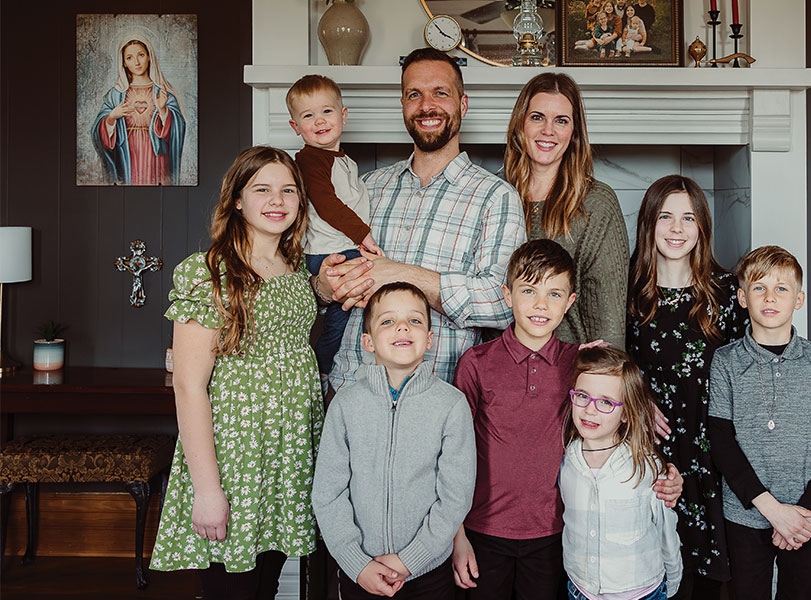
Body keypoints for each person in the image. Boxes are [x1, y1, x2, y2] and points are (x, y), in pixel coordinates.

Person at [451, 239, 683, 599]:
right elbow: (453, 455)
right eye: (528, 291)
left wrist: (664, 473)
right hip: (484, 530)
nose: (541, 305)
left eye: (554, 294)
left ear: (570, 302)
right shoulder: (476, 363)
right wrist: (457, 535)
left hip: (554, 533)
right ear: (507, 295)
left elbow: (618, 423)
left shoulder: (580, 364)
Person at [150, 146, 329, 599]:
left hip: (287, 455)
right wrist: (208, 491)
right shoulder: (208, 272)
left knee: (263, 586)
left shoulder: (293, 267)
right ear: (236, 200)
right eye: (262, 189)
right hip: (235, 458)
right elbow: (189, 387)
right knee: (233, 588)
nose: (277, 200)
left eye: (288, 190)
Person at [323, 47, 526, 391]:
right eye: (414, 94)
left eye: (440, 93)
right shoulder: (367, 188)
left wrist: (401, 275)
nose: (426, 105)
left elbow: (503, 304)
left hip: (439, 397)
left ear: (462, 104)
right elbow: (318, 270)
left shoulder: (496, 197)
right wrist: (324, 287)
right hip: (350, 388)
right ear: (402, 104)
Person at [312, 282, 476, 599]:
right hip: (360, 571)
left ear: (429, 339)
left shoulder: (452, 405)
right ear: (368, 342)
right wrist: (356, 563)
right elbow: (328, 494)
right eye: (388, 321)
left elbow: (455, 497)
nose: (402, 326)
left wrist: (409, 560)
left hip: (427, 572)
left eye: (414, 320)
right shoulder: (346, 405)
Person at [627, 175, 748, 599]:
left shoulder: (727, 292)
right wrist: (634, 404)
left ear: (702, 228)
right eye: (666, 217)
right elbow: (608, 368)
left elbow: (745, 374)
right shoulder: (628, 291)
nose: (677, 229)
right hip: (648, 448)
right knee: (646, 572)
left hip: (712, 451)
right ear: (648, 224)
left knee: (709, 580)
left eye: (688, 218)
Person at [707, 245, 811, 600]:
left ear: (798, 299)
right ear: (742, 298)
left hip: (807, 520)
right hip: (747, 516)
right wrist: (771, 510)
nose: (770, 297)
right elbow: (722, 442)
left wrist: (803, 516)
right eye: (758, 288)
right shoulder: (725, 362)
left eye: (781, 288)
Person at [503, 72, 629, 348]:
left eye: (561, 121)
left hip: (571, 373)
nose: (548, 130)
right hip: (500, 373)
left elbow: (609, 322)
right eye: (537, 117)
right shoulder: (492, 194)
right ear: (520, 125)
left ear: (573, 133)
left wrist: (601, 377)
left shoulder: (596, 203)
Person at [560, 346, 684, 600]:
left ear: (626, 413)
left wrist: (673, 581)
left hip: (641, 592)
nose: (590, 410)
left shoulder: (645, 466)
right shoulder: (565, 460)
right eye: (582, 396)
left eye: (605, 402)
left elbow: (665, 528)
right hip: (581, 589)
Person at [285, 74, 383, 387]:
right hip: (332, 251)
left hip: (345, 246)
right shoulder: (310, 160)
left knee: (358, 307)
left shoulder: (341, 161)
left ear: (343, 115)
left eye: (326, 111)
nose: (319, 121)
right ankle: (322, 368)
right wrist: (363, 235)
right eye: (308, 115)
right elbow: (327, 204)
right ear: (295, 127)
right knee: (342, 319)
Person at [93, 33, 186, 185]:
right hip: (127, 156)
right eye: (129, 57)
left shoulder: (162, 92)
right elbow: (97, 133)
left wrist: (163, 111)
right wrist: (111, 118)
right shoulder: (116, 95)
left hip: (157, 158)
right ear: (123, 62)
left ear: (149, 56)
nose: (136, 62)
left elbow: (178, 129)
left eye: (141, 55)